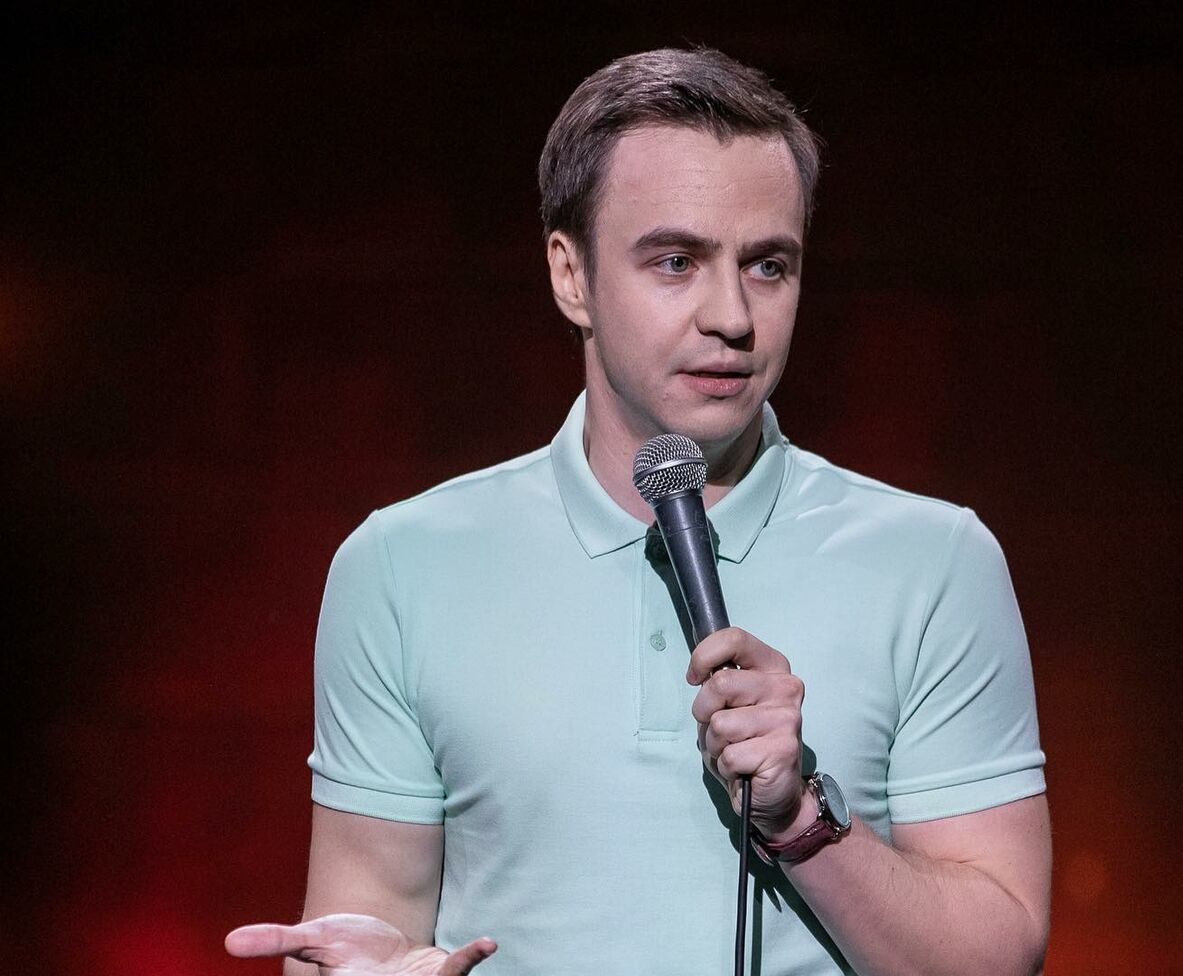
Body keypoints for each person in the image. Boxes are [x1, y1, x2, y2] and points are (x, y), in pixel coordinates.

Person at [226, 47, 1051, 976]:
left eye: (768, 265)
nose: (732, 315)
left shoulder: (934, 561)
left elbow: (998, 959)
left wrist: (798, 818)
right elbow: (356, 928)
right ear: (570, 275)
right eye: (675, 261)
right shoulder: (400, 565)